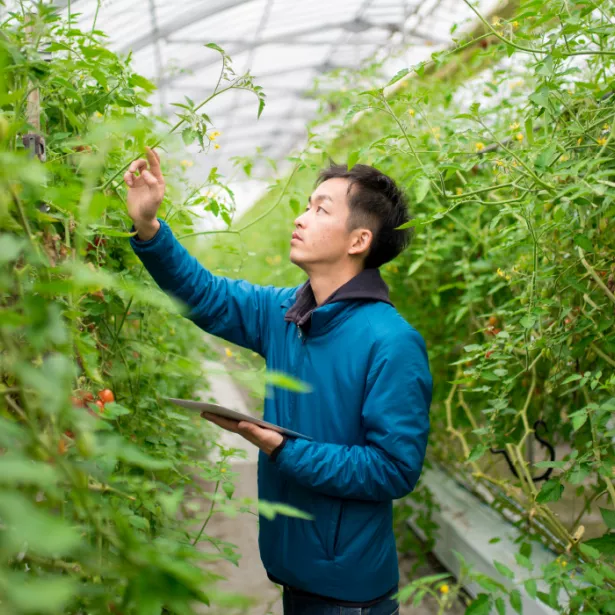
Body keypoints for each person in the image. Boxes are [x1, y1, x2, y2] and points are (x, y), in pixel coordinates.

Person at [124, 147, 433, 615]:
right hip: (295, 576)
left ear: (358, 240)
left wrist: (282, 449)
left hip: (351, 597)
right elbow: (207, 296)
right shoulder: (289, 314)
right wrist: (149, 229)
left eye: (321, 209)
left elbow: (393, 468)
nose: (302, 217)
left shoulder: (391, 342)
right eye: (307, 204)